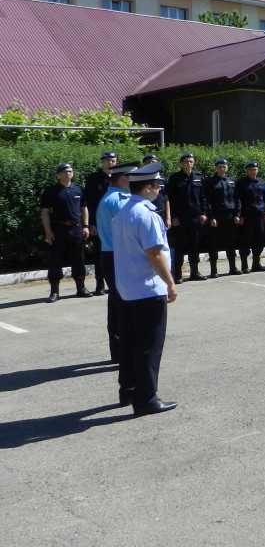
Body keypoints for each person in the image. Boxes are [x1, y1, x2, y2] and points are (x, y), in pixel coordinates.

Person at [111, 161, 178, 417]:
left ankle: (128, 390)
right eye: (157, 185)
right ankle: (146, 398)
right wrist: (170, 282)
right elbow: (154, 253)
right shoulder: (147, 214)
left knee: (129, 343)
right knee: (149, 345)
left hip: (127, 288)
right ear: (148, 188)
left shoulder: (123, 212)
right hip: (147, 289)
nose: (159, 190)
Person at [95, 161, 138, 362]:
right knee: (123, 305)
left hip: (112, 255)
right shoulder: (119, 201)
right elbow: (132, 231)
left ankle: (119, 352)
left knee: (116, 304)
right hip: (118, 256)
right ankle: (124, 352)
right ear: (122, 179)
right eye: (132, 179)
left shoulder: (112, 197)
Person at [40, 162, 90, 302]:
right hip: (58, 229)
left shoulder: (78, 189)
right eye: (64, 172)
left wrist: (86, 226)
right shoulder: (51, 190)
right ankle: (54, 292)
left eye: (70, 171)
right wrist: (48, 231)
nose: (68, 174)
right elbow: (45, 212)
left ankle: (81, 288)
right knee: (55, 260)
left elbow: (84, 208)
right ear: (59, 174)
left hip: (76, 228)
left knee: (79, 259)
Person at [166, 152, 208, 283]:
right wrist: (173, 217)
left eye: (191, 161)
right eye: (186, 161)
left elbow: (203, 197)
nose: (188, 164)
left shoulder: (199, 177)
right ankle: (178, 274)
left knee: (194, 245)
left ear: (193, 163)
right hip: (180, 218)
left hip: (196, 217)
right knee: (179, 246)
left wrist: (204, 213)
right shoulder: (174, 178)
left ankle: (194, 272)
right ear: (181, 163)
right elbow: (171, 199)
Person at [84, 150, 118, 294]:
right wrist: (91, 223)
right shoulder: (93, 179)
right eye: (107, 160)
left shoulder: (119, 178)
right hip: (99, 223)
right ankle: (100, 284)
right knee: (100, 254)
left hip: (116, 222)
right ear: (102, 162)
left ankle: (115, 283)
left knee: (117, 253)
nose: (110, 163)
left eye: (113, 160)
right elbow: (89, 203)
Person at [203, 158, 241, 277]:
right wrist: (211, 217)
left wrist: (237, 214)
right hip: (216, 216)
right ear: (216, 168)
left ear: (227, 168)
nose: (222, 169)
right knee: (213, 243)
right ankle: (213, 270)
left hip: (230, 216)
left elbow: (237, 199)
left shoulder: (232, 181)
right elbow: (208, 201)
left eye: (224, 166)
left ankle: (233, 268)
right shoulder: (210, 182)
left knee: (231, 242)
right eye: (219, 167)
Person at [236, 161, 265, 272]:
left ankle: (256, 264)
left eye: (254, 169)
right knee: (245, 240)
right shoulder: (241, 183)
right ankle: (244, 265)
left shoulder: (261, 182)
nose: (252, 171)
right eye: (250, 169)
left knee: (259, 241)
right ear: (246, 170)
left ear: (257, 170)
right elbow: (238, 200)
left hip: (260, 216)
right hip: (247, 216)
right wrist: (240, 215)